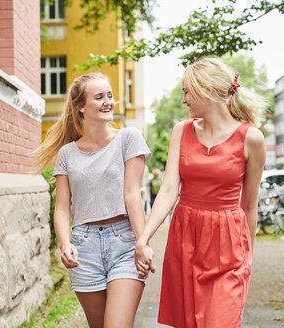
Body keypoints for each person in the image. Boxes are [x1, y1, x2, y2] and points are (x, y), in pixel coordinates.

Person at [135, 57, 267, 328]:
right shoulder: (180, 131)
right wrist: (144, 238)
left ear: (206, 89)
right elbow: (170, 189)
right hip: (186, 238)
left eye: (186, 91)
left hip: (229, 245)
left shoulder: (251, 138)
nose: (184, 100)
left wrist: (248, 258)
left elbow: (249, 206)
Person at [33, 72, 151, 328]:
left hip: (124, 244)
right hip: (84, 248)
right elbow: (63, 208)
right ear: (80, 107)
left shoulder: (128, 139)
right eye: (98, 97)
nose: (108, 101)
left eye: (109, 96)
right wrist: (65, 244)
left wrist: (143, 242)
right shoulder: (67, 153)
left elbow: (132, 194)